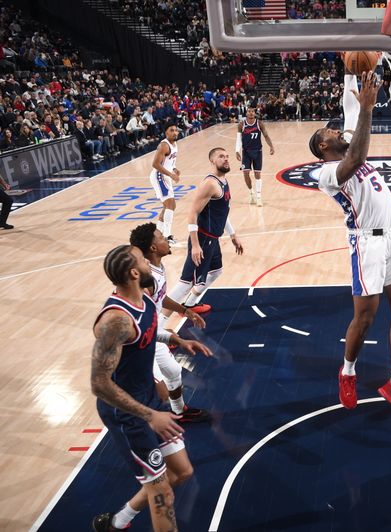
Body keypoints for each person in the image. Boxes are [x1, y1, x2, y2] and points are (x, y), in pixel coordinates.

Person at [308, 70, 391, 416]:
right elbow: (355, 156)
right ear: (323, 147)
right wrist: (368, 109)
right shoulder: (326, 173)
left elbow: (350, 112)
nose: (336, 129)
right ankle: (348, 371)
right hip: (366, 244)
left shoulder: (348, 144)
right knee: (366, 317)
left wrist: (349, 74)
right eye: (330, 132)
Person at [90, 245, 212, 531]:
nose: (148, 262)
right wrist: (149, 416)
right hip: (127, 415)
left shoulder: (143, 298)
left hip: (147, 402)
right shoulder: (114, 321)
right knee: (162, 493)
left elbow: (146, 329)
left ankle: (118, 522)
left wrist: (175, 340)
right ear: (134, 273)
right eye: (144, 260)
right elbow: (98, 384)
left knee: (182, 472)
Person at [130, 223, 211, 423]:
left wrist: (185, 311)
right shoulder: (146, 280)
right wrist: (170, 336)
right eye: (161, 237)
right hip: (139, 341)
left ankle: (178, 412)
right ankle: (143, 427)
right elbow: (137, 321)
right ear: (153, 248)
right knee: (157, 392)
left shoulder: (158, 268)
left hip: (153, 332)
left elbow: (161, 298)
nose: (166, 239)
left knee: (174, 371)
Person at [166, 147, 244, 315]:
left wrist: (233, 235)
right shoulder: (210, 184)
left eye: (227, 156)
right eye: (221, 156)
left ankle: (190, 304)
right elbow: (192, 213)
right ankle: (158, 324)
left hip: (212, 239)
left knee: (216, 271)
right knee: (186, 282)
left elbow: (222, 212)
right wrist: (195, 245)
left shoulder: (222, 180)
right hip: (202, 239)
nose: (226, 159)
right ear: (212, 161)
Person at [235, 107, 275, 207]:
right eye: (249, 111)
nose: (251, 113)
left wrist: (271, 146)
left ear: (254, 113)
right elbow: (238, 139)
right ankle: (251, 192)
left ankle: (258, 197)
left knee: (257, 175)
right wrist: (237, 151)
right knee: (245, 173)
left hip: (257, 152)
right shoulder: (241, 124)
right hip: (246, 153)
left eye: (252, 111)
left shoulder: (259, 123)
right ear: (246, 113)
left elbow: (266, 135)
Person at [149, 124, 181, 245]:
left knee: (168, 206)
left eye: (176, 130)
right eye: (171, 130)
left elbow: (169, 161)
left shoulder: (174, 144)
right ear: (166, 133)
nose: (175, 132)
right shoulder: (164, 145)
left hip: (165, 176)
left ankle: (157, 234)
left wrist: (174, 169)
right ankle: (167, 236)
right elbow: (156, 164)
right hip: (159, 176)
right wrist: (171, 174)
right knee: (171, 204)